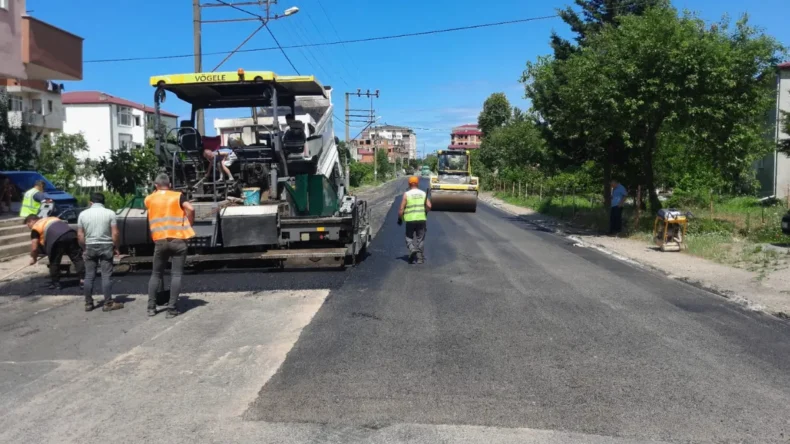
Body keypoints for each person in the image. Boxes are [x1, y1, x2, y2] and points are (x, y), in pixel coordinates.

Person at [145, 173, 196, 318]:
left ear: (155, 185)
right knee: (176, 275)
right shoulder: (177, 196)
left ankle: (151, 307)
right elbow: (190, 209)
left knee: (156, 274)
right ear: (170, 185)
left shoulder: (149, 199)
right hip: (178, 240)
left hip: (160, 241)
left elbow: (152, 204)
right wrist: (189, 223)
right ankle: (171, 309)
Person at [77, 192, 124, 312]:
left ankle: (88, 303)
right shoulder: (110, 213)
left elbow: (80, 234)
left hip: (90, 246)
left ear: (90, 202)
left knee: (89, 276)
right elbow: (115, 233)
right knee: (106, 276)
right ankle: (108, 303)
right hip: (106, 245)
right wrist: (117, 247)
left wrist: (84, 248)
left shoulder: (82, 214)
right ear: (103, 202)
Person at [26, 214, 85, 291]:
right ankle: (83, 280)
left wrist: (33, 258)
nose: (29, 227)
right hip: (71, 234)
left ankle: (56, 283)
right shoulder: (53, 218)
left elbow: (34, 248)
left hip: (56, 239)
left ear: (31, 221)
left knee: (54, 262)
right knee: (77, 258)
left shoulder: (36, 227)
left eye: (28, 224)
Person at [398, 176, 431, 264]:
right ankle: (420, 258)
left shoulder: (407, 194)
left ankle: (412, 249)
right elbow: (429, 206)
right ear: (417, 183)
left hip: (410, 220)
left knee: (409, 237)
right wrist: (425, 212)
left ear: (409, 184)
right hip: (421, 219)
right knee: (420, 239)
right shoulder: (423, 193)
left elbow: (401, 209)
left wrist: (400, 218)